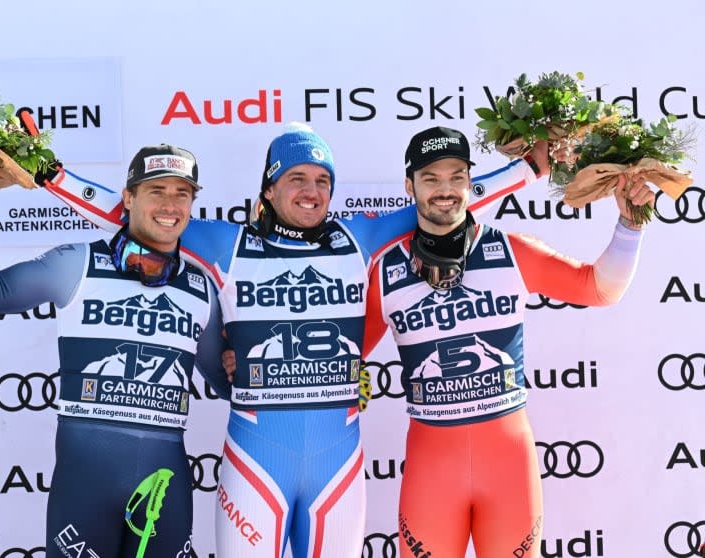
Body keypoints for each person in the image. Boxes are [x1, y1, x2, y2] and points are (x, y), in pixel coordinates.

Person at [51, 122, 544, 557]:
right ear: (269, 189)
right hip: (253, 465)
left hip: (339, 468)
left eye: (322, 181)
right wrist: (46, 174)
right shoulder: (229, 243)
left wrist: (531, 168)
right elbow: (130, 213)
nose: (311, 191)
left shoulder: (358, 239)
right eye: (296, 179)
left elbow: (443, 199)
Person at [362, 126, 652, 558]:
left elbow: (599, 289)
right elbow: (344, 354)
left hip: (508, 467)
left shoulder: (509, 250)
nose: (446, 190)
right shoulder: (385, 271)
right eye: (431, 178)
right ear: (410, 186)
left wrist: (630, 226)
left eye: (456, 176)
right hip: (432, 470)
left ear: (469, 181)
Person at [0, 144, 231, 558]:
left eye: (181, 193)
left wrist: (242, 360)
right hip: (84, 488)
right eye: (156, 191)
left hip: (163, 487)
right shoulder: (78, 263)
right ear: (128, 198)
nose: (170, 204)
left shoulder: (201, 289)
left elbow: (226, 383)